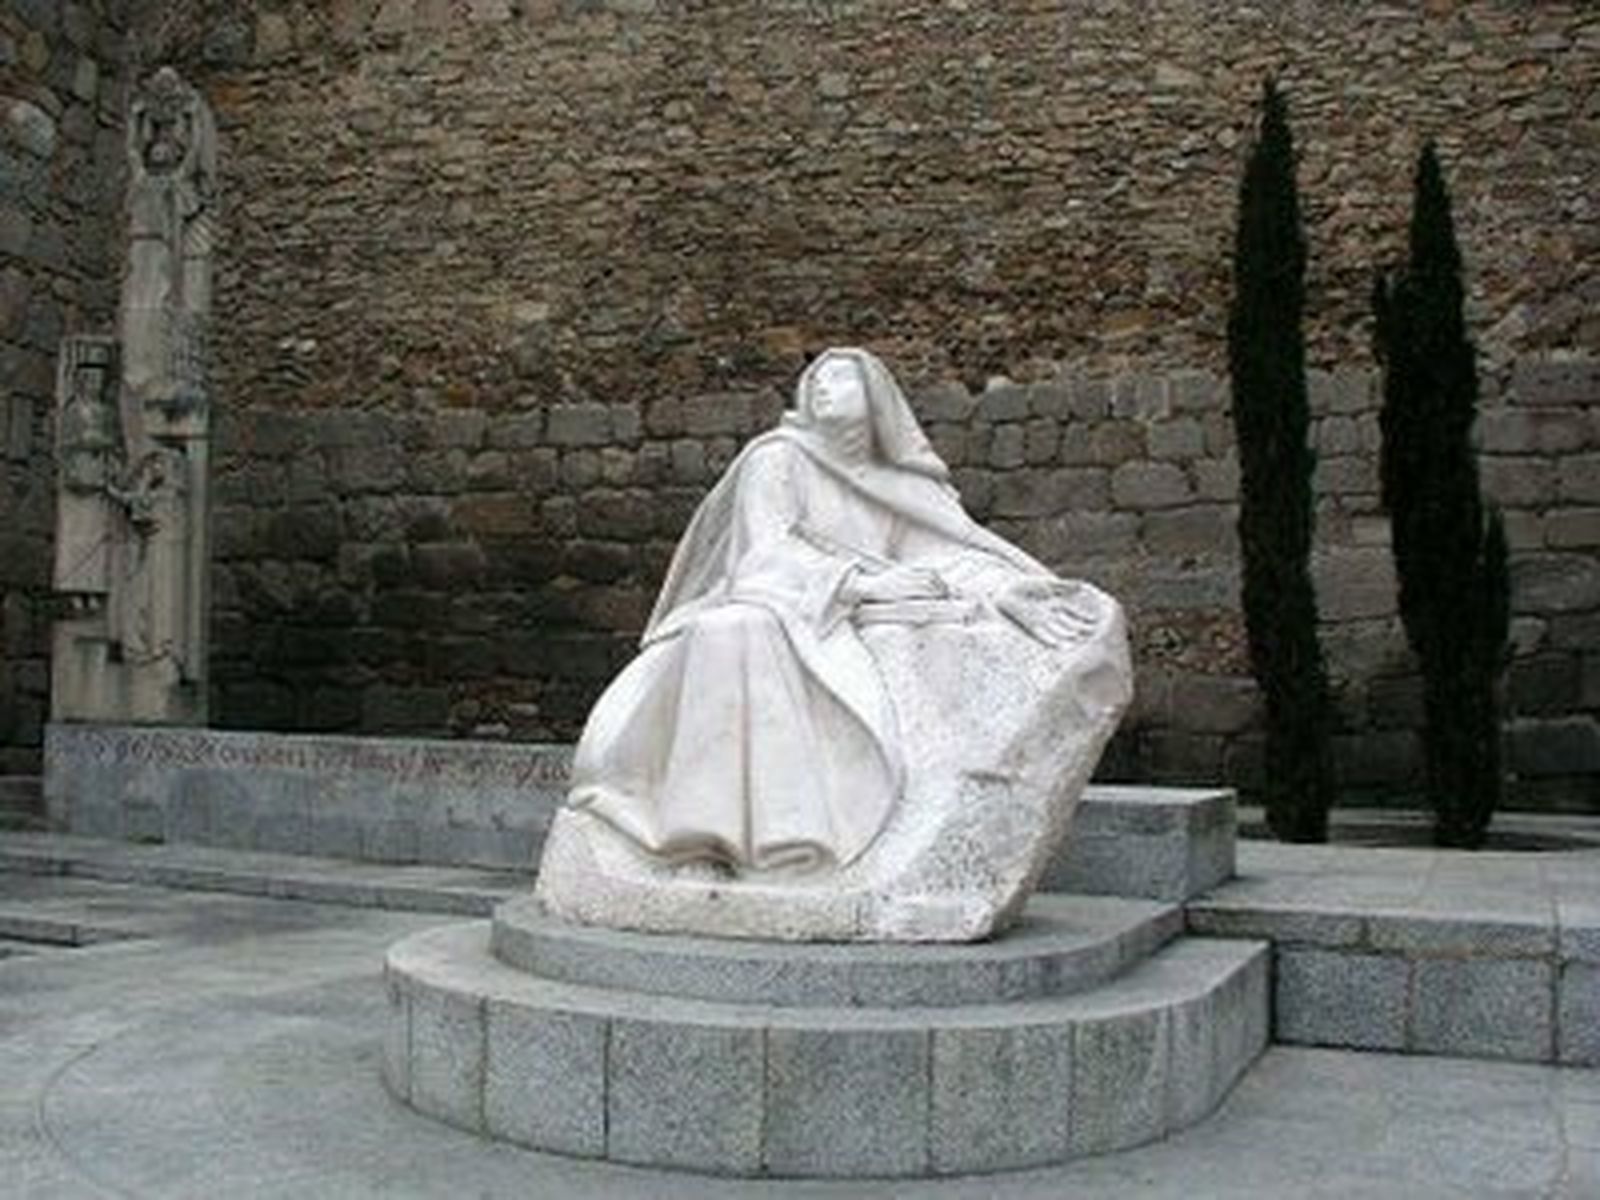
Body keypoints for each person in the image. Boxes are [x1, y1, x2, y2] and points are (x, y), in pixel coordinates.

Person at [567, 347, 1113, 876]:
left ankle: (795, 841)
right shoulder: (777, 459)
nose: (824, 385)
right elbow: (763, 555)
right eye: (818, 380)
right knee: (733, 628)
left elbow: (945, 557)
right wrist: (859, 587)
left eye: (842, 377)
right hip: (785, 604)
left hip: (847, 617)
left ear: (877, 399)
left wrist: (1003, 592)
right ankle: (701, 842)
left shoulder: (902, 486)